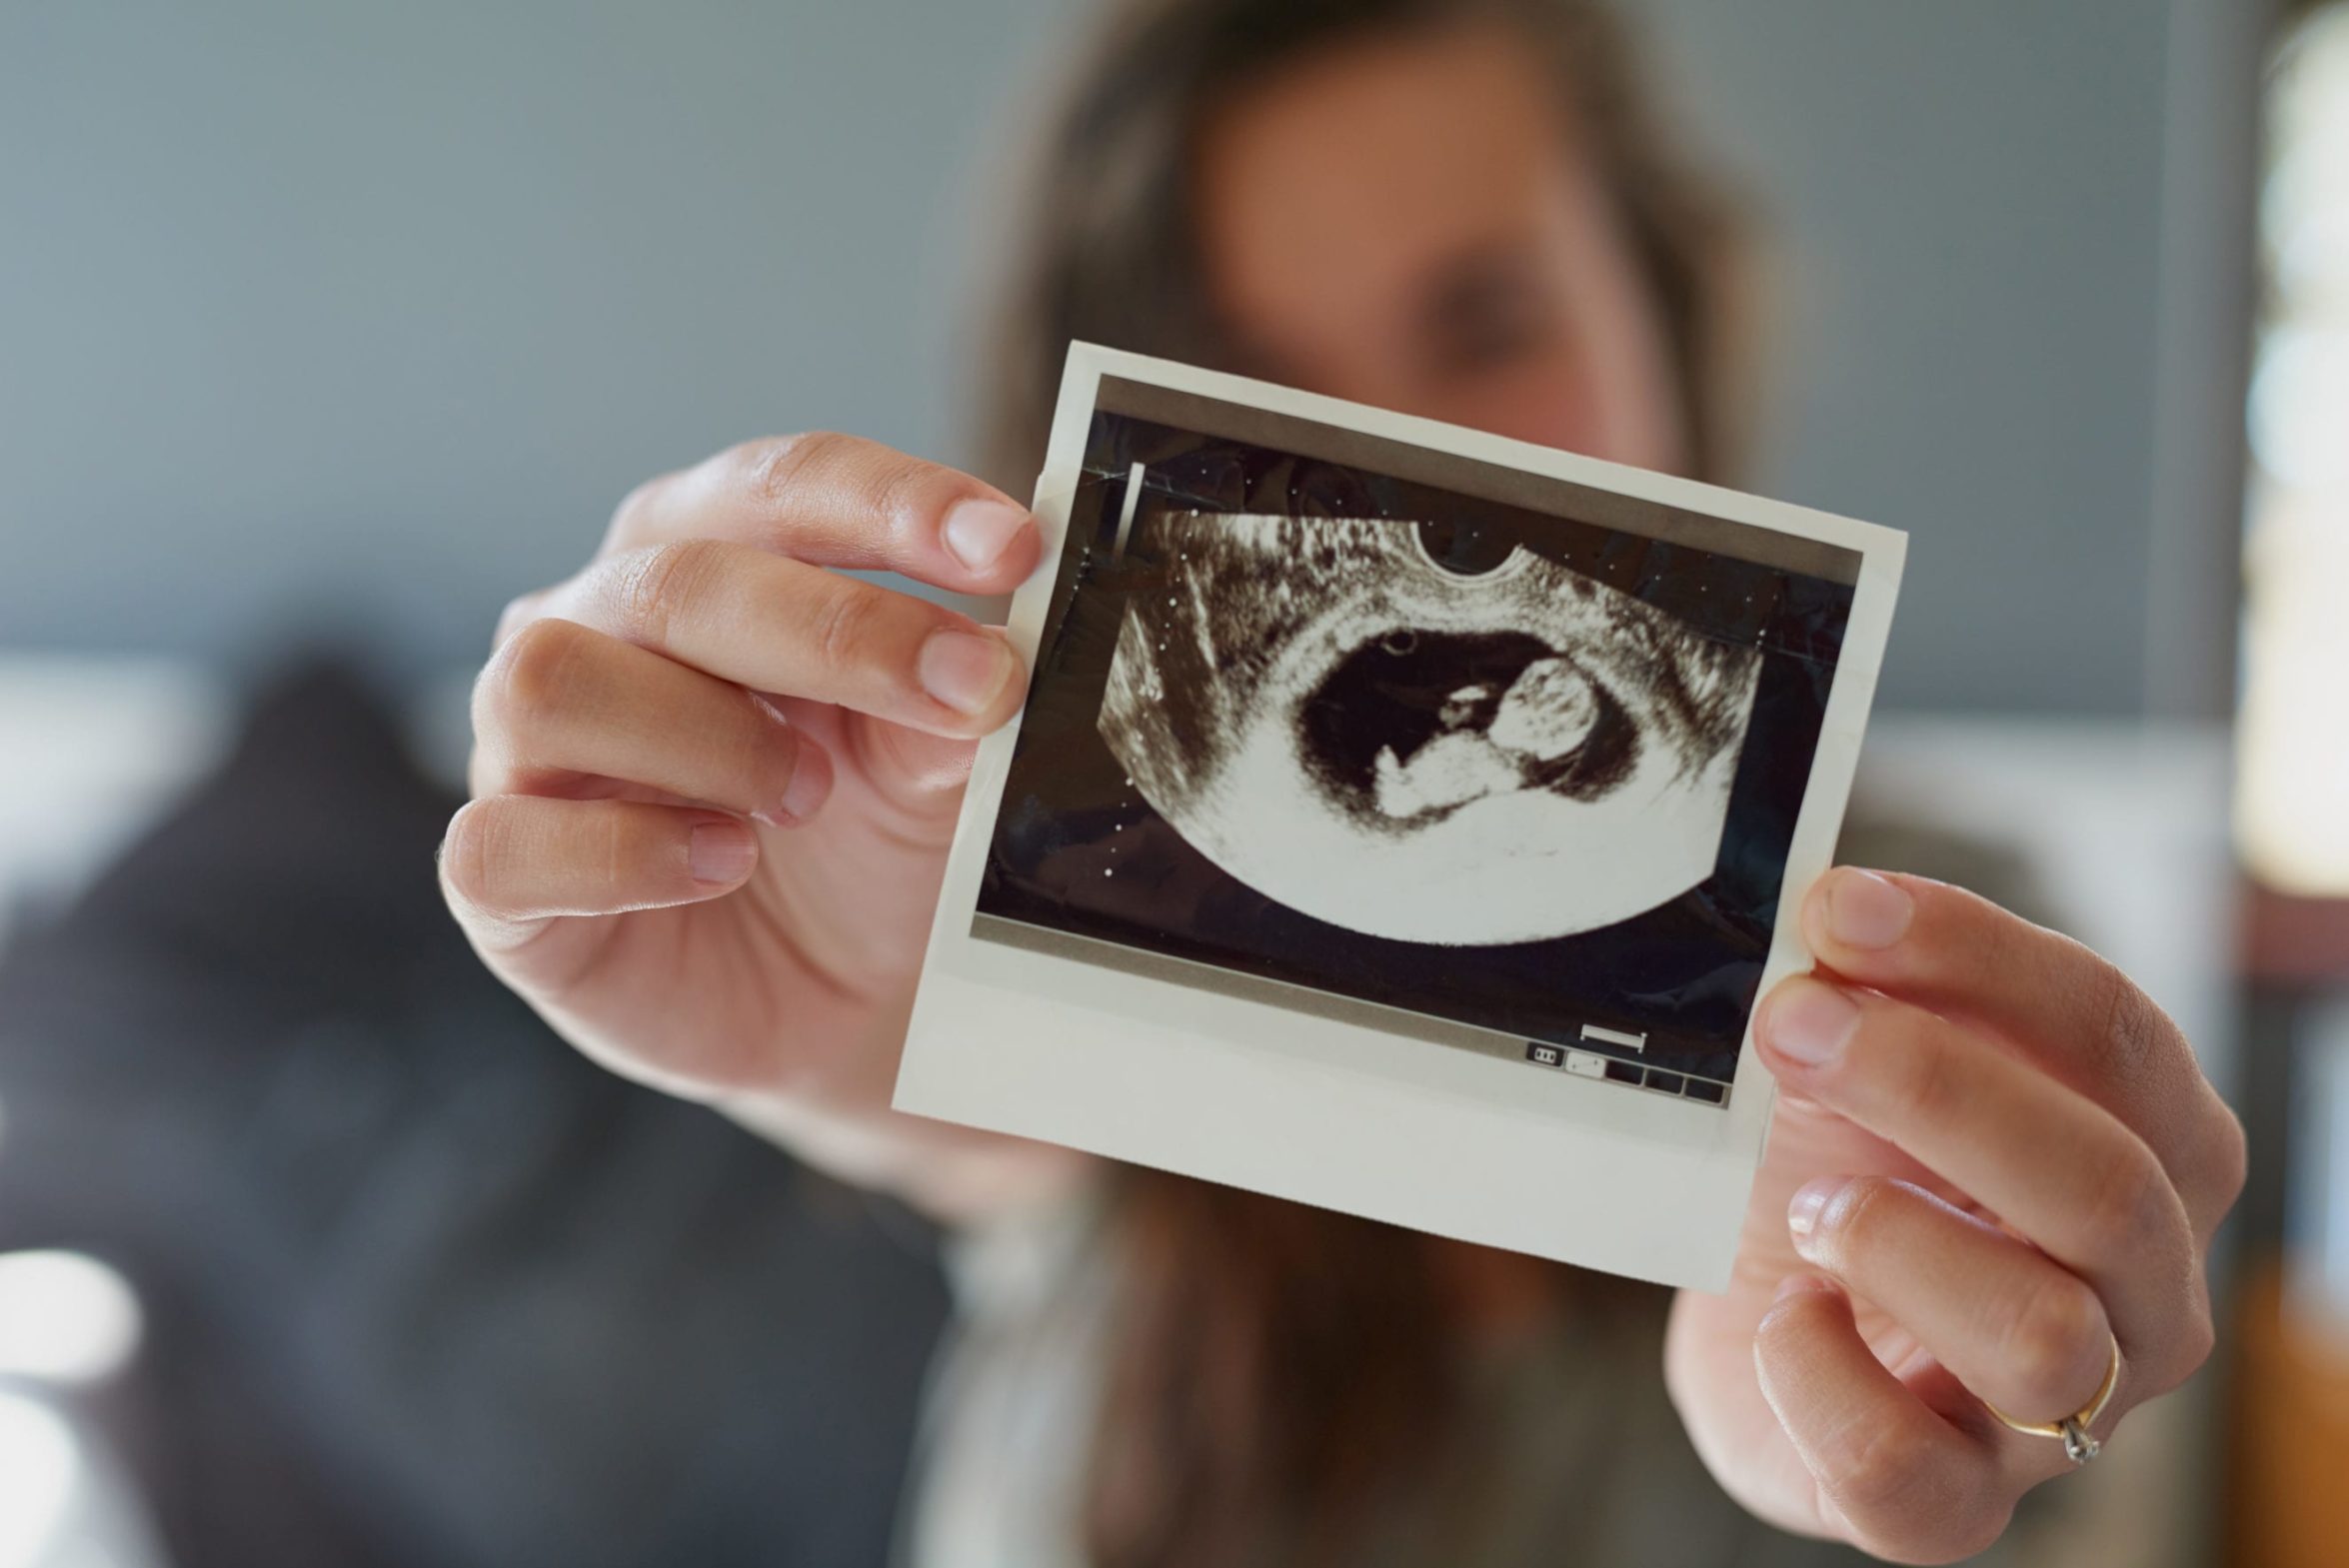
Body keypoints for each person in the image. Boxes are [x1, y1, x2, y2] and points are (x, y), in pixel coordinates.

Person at [438, 1, 2246, 1563]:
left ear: (1668, 317)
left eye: (1484, 327)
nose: (1413, 479)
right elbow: (997, 1135)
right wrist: (850, 1038)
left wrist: (1968, 1412)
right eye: (1255, 391)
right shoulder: (1101, 969)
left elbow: (2053, 1445)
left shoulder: (1931, 969)